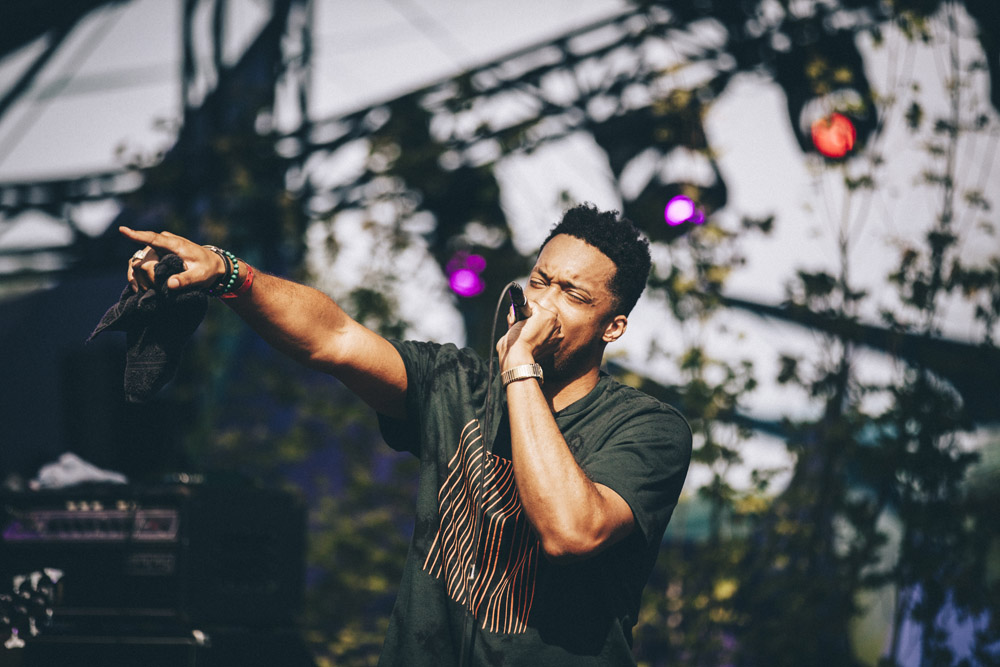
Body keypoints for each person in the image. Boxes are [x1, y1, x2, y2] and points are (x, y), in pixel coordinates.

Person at [121, 202, 692, 666]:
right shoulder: (457, 385)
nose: (543, 303)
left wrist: (521, 368)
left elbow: (570, 533)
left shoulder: (648, 428)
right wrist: (230, 274)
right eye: (540, 280)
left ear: (613, 326)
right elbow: (333, 338)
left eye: (573, 294)